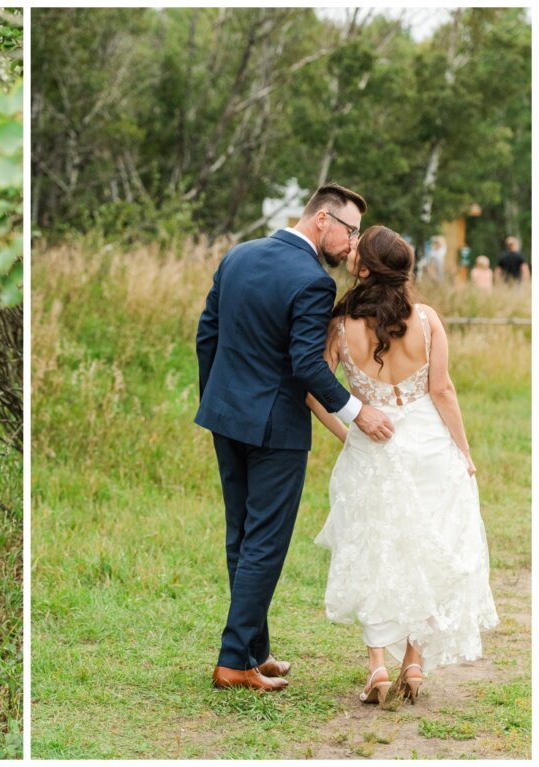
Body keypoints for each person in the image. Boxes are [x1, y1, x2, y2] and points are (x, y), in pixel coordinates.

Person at [195, 182, 395, 692]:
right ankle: (232, 661)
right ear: (322, 220)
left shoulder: (238, 255)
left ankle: (253, 651)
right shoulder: (312, 280)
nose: (352, 245)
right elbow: (305, 363)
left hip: (225, 416)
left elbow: (207, 334)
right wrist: (357, 413)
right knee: (265, 542)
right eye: (349, 232)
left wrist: (218, 399)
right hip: (275, 429)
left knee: (241, 535)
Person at [310, 225, 498, 708]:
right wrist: (465, 451)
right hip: (429, 447)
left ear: (366, 268)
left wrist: (349, 433)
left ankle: (377, 667)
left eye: (358, 250)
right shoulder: (428, 319)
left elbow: (313, 389)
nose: (350, 254)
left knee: (376, 550)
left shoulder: (339, 324)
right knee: (425, 550)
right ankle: (413, 662)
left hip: (372, 447)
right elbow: (443, 391)